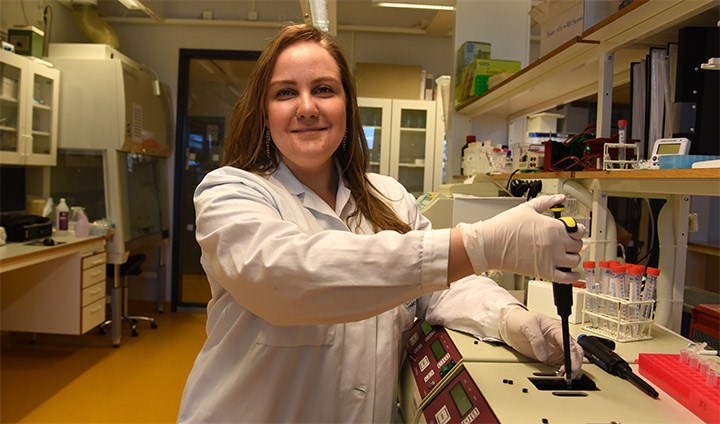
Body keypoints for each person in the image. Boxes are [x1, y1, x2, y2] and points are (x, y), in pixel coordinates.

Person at [178, 23, 585, 423]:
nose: (307, 107)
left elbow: (442, 289)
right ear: (264, 114)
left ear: (347, 107)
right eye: (286, 93)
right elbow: (285, 277)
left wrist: (512, 319)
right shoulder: (229, 192)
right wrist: (480, 245)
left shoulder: (388, 197)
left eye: (323, 89)